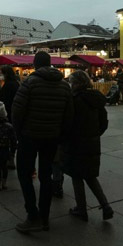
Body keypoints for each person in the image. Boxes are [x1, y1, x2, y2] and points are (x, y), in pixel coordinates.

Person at [12, 51, 74, 233]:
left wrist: (19, 133)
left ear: (35, 64)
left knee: (24, 174)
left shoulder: (29, 83)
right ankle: (45, 218)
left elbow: (16, 112)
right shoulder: (64, 86)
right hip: (52, 138)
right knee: (46, 177)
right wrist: (60, 136)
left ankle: (33, 215)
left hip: (29, 137)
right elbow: (69, 116)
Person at [62, 70, 113, 221]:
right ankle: (105, 206)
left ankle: (81, 208)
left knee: (77, 176)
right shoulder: (96, 99)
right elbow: (104, 122)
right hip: (92, 142)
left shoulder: (75, 100)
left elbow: (68, 122)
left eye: (71, 82)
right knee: (90, 176)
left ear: (77, 83)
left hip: (76, 143)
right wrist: (95, 134)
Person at [0, 65, 19, 170]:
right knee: (13, 137)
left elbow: (2, 99)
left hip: (7, 113)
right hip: (14, 113)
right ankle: (11, 157)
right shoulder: (16, 83)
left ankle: (9, 158)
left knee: (7, 137)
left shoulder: (8, 85)